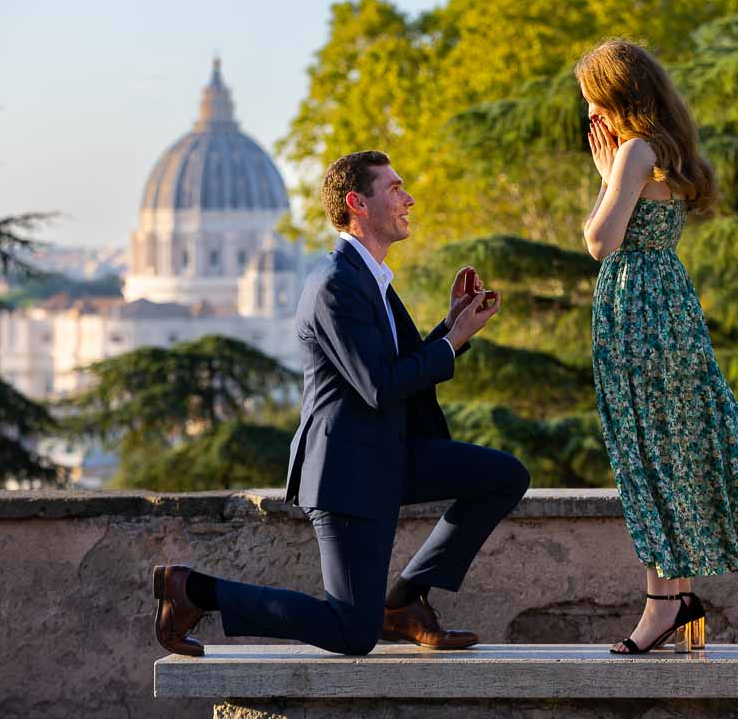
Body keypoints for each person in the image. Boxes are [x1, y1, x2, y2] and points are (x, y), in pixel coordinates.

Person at [153, 150, 530, 657]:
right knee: (351, 632)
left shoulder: (368, 278)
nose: (408, 197)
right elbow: (378, 385)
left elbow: (399, 367)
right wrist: (450, 342)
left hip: (388, 454)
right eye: (394, 188)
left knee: (504, 475)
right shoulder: (335, 284)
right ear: (357, 203)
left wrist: (452, 326)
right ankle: (192, 592)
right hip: (348, 473)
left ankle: (405, 599)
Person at [577, 39, 738, 655]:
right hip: (667, 301)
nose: (589, 113)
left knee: (648, 451)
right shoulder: (665, 148)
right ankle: (680, 601)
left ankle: (664, 604)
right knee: (664, 446)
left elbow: (601, 242)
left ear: (615, 94)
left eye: (593, 100)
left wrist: (605, 178)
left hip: (637, 307)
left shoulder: (635, 150)